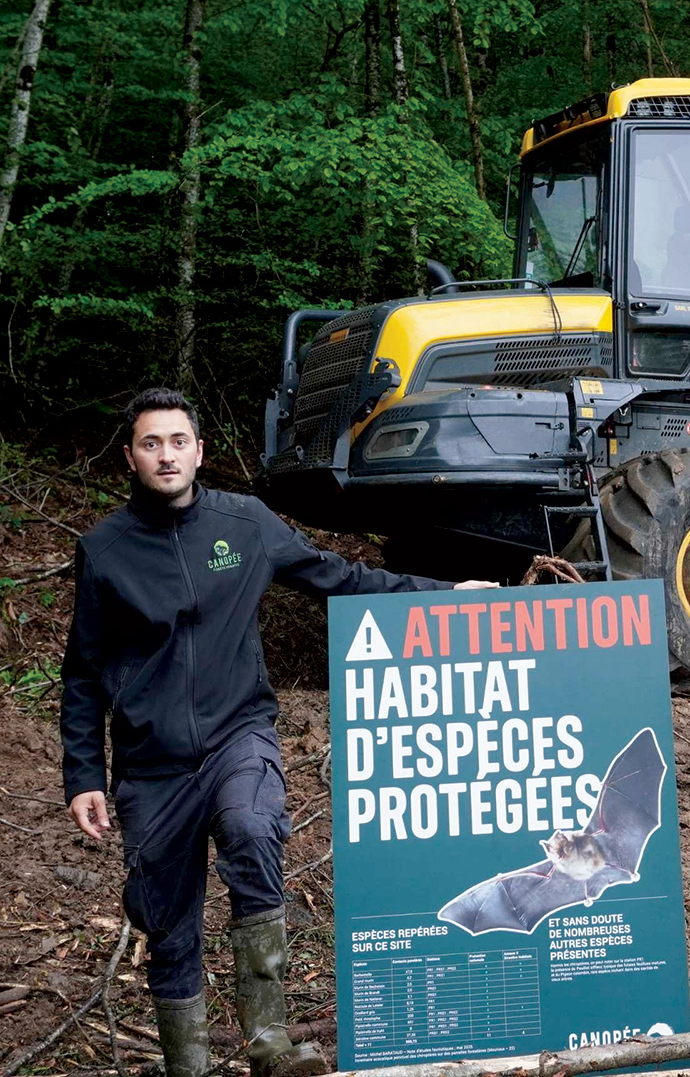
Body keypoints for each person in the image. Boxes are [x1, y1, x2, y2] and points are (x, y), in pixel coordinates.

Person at [60, 388, 496, 1077]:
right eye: (152, 443)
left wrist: (444, 593)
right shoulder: (105, 551)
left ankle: (270, 1044)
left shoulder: (246, 524)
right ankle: (190, 1065)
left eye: (178, 441)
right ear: (131, 458)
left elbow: (340, 577)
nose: (166, 455)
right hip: (151, 764)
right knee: (168, 926)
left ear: (200, 451)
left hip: (239, 736)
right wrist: (83, 774)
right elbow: (82, 673)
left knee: (254, 827)